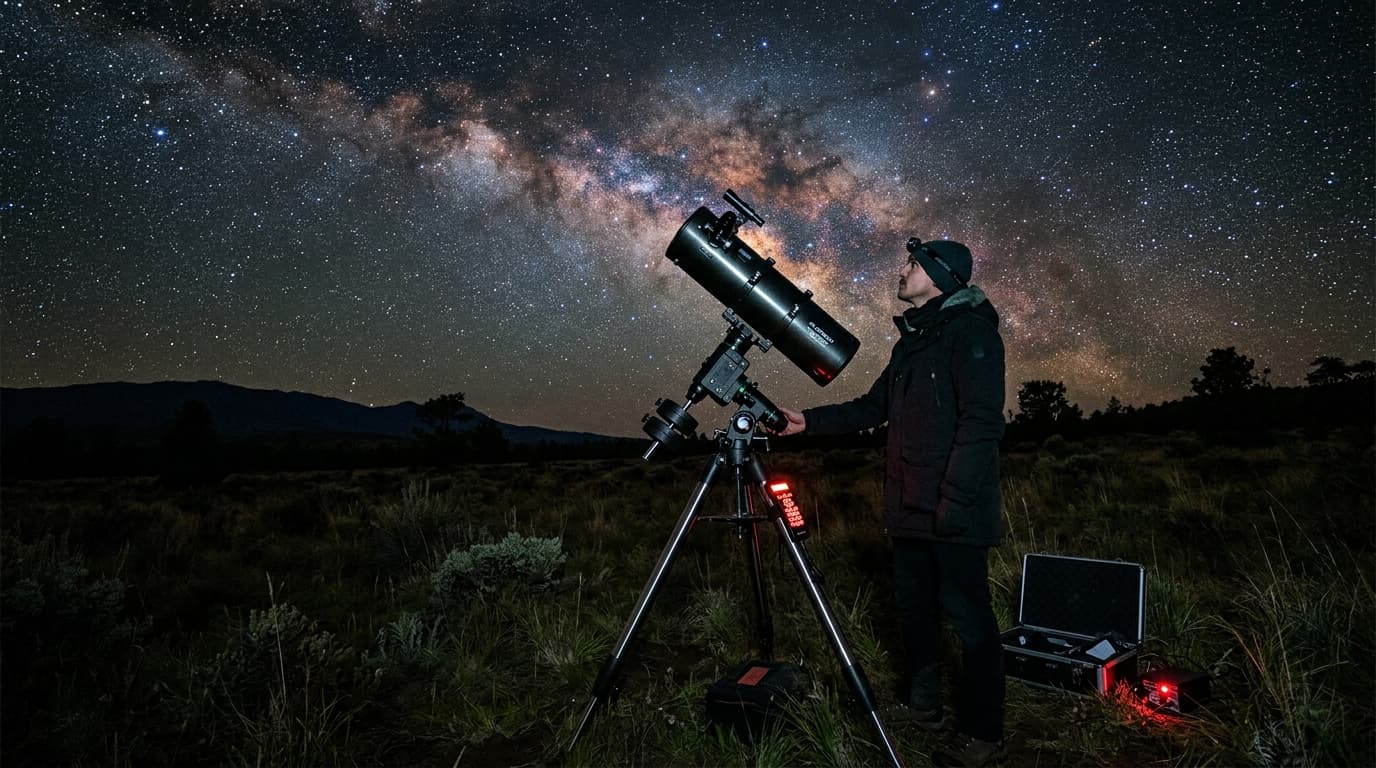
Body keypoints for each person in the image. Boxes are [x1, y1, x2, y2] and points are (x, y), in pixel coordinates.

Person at [775, 239, 1006, 767]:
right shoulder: (911, 344)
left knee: (971, 624)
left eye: (913, 265)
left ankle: (984, 735)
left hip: (954, 511)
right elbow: (872, 406)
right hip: (909, 509)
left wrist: (954, 502)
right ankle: (923, 706)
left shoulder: (971, 333)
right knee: (916, 613)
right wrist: (809, 422)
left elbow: (981, 424)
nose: (902, 271)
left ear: (940, 277)